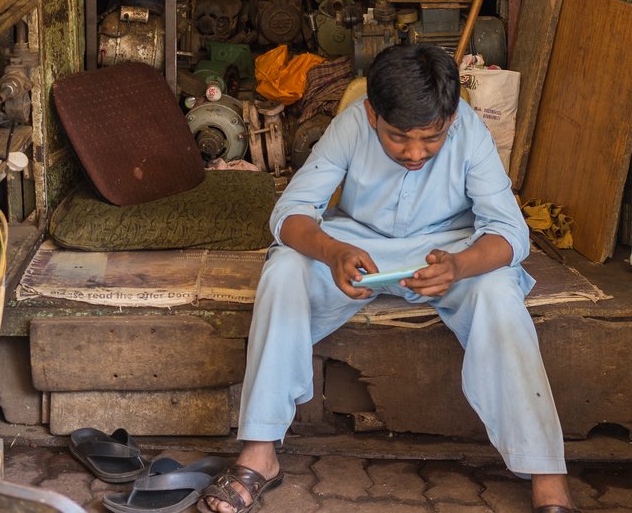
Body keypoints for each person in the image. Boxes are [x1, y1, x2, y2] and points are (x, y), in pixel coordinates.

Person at [199, 43, 577, 513]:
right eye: (399, 137)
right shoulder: (352, 124)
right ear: (374, 113)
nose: (416, 152)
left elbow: (510, 233)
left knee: (499, 290)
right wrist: (332, 250)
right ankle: (259, 453)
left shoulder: (469, 130)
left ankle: (548, 476)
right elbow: (289, 213)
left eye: (432, 138)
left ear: (451, 118)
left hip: (447, 252)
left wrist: (459, 266)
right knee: (284, 268)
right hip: (359, 248)